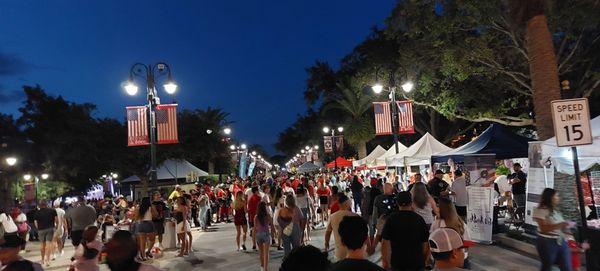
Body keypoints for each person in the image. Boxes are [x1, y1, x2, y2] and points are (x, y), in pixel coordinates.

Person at [381, 191, 429, 271]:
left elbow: (385, 242)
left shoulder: (391, 219)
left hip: (398, 262)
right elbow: (425, 242)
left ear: (397, 203)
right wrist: (424, 259)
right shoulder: (419, 219)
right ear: (411, 202)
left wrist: (385, 262)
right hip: (417, 262)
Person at [533, 188, 573, 271]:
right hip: (547, 241)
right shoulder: (540, 210)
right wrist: (561, 224)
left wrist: (566, 229)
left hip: (561, 240)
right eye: (556, 196)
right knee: (547, 265)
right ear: (550, 197)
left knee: (566, 266)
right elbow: (543, 229)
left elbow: (560, 226)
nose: (558, 198)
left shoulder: (555, 210)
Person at [431, 197, 471, 268]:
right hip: (461, 259)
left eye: (437, 206)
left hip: (443, 261)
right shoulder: (461, 224)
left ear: (441, 209)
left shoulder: (436, 224)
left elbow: (432, 242)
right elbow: (468, 243)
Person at [325, 194, 358, 262]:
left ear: (339, 204)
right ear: (348, 203)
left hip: (339, 253)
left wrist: (326, 243)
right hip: (354, 252)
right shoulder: (355, 216)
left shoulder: (332, 217)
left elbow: (328, 232)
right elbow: (363, 234)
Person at [34, 201, 57, 267]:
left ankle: (42, 260)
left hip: (41, 230)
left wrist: (38, 228)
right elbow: (56, 219)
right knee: (48, 244)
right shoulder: (52, 210)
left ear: (39, 205)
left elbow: (35, 222)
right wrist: (55, 226)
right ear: (46, 204)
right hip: (50, 229)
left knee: (42, 245)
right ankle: (48, 260)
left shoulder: (37, 212)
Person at [253, 202, 275, 271]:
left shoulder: (256, 216)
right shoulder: (268, 216)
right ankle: (265, 269)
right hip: (266, 234)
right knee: (266, 253)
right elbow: (272, 226)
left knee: (261, 252)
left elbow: (255, 229)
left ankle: (262, 267)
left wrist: (254, 241)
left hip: (259, 235)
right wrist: (273, 234)